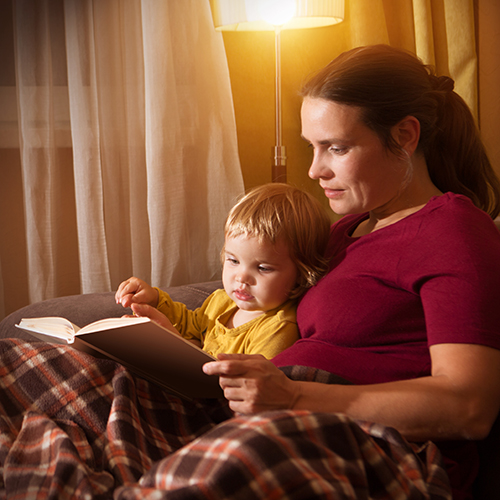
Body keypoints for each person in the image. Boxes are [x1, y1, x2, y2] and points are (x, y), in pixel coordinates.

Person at [1, 44, 500, 500]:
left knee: (227, 462)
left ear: (405, 136)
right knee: (21, 368)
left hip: (363, 442)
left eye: (337, 148)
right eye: (311, 146)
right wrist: (165, 338)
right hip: (249, 405)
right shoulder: (347, 231)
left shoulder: (454, 230)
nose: (314, 170)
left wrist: (294, 395)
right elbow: (249, 303)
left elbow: (469, 407)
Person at [114, 183, 331, 359]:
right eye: (233, 260)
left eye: (263, 268)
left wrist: (178, 347)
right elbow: (190, 323)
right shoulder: (221, 301)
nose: (242, 277)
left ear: (301, 275)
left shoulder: (277, 328)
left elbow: (247, 387)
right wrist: (153, 299)